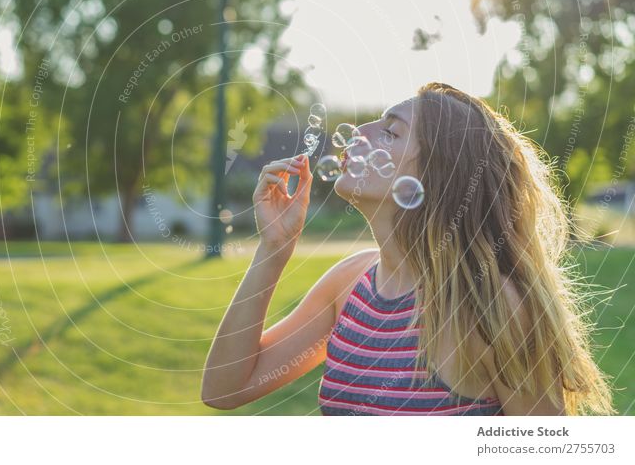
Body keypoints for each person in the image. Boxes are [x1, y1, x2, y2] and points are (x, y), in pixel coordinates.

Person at [201, 82, 615, 415]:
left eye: (390, 132)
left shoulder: (487, 307)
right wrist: (274, 247)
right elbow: (225, 387)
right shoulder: (349, 286)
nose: (357, 135)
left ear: (436, 175)